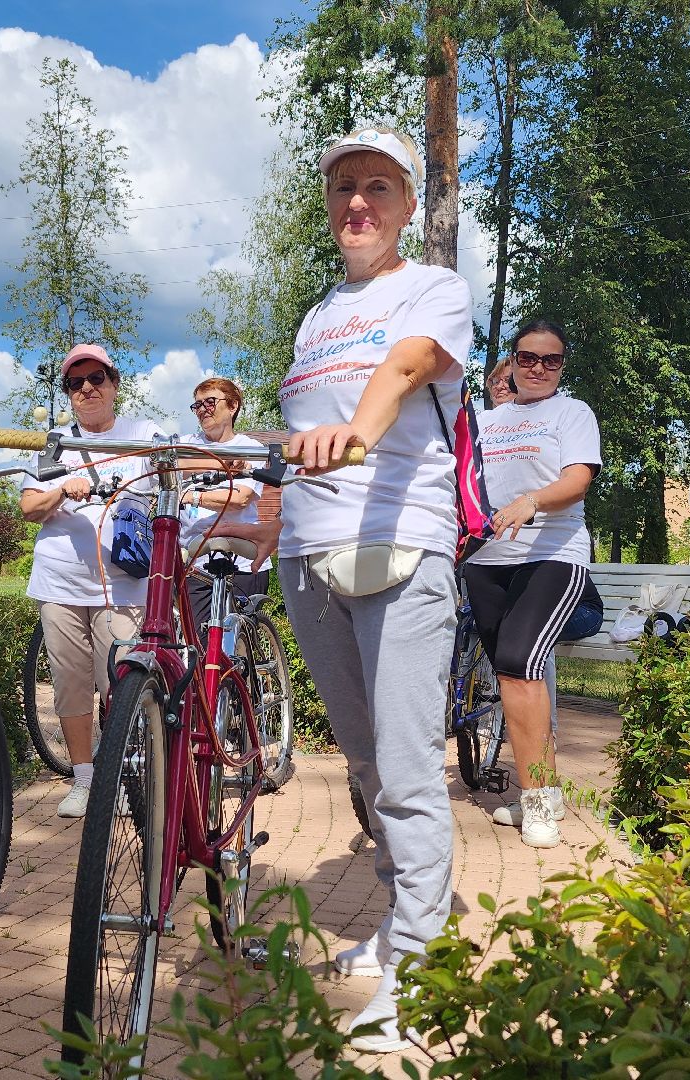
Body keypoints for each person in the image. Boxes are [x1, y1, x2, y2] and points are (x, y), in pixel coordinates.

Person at [218, 126, 469, 1052]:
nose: (356, 202)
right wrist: (265, 513)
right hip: (310, 556)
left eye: (376, 186)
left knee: (406, 768)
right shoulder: (317, 315)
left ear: (405, 205)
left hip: (401, 547)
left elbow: (405, 370)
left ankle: (421, 962)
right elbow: (294, 441)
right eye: (342, 189)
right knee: (364, 762)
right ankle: (405, 920)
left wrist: (357, 432)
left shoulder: (431, 289)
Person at [464, 320, 600, 852]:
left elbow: (578, 479)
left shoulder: (572, 412)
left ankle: (540, 804)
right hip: (486, 560)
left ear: (562, 366)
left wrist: (533, 500)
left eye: (551, 360)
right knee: (514, 678)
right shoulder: (482, 419)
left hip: (551, 553)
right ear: (513, 362)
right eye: (527, 358)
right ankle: (537, 787)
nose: (538, 368)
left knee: (520, 664)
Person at [19, 343, 164, 819]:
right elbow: (28, 509)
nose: (86, 389)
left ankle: (122, 776)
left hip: (121, 586)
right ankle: (83, 779)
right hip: (60, 582)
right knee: (71, 685)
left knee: (120, 685)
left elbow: (174, 470)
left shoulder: (142, 433)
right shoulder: (54, 442)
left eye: (96, 379)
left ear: (114, 384)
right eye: (75, 383)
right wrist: (62, 488)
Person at [180, 377, 271, 622]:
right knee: (199, 646)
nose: (202, 410)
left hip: (242, 560)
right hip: (196, 562)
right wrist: (223, 465)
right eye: (197, 405)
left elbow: (239, 498)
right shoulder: (187, 444)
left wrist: (192, 496)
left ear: (233, 406)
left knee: (238, 643)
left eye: (209, 402)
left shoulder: (250, 447)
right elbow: (172, 466)